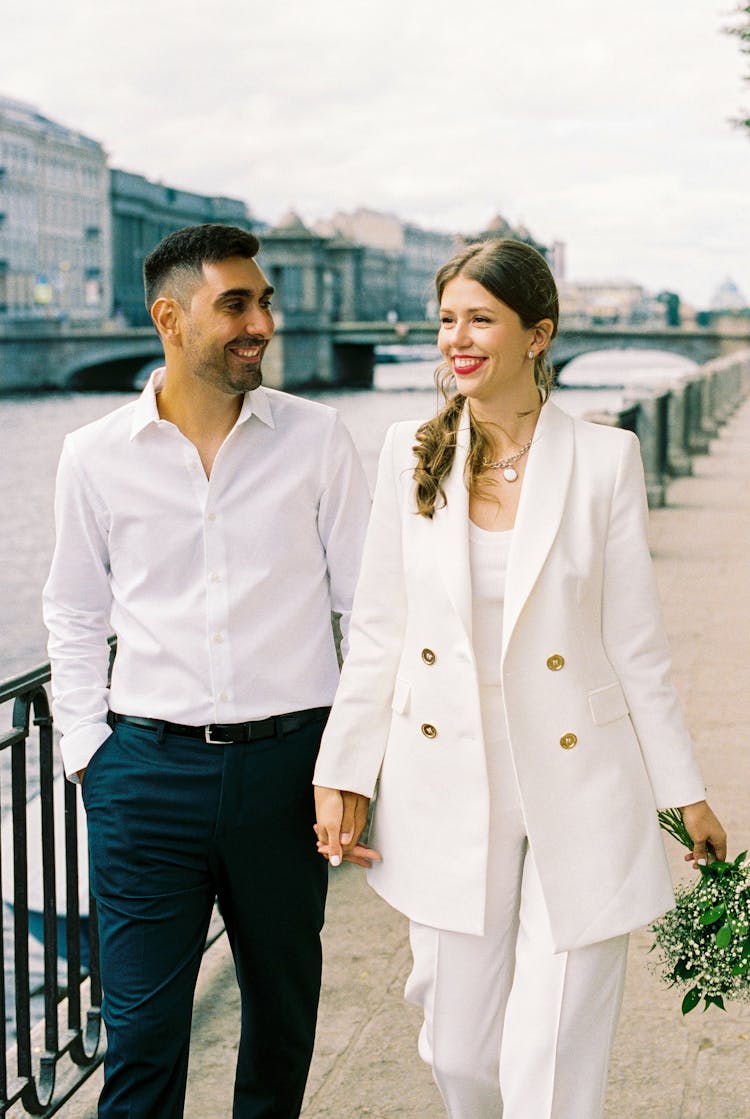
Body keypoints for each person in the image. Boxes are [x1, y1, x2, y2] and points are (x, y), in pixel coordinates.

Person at [313, 238, 727, 1119]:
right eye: (447, 320)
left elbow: (636, 643)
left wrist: (682, 790)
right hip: (447, 770)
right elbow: (379, 626)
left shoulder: (605, 459)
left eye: (480, 320)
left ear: (538, 334)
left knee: (553, 1049)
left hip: (582, 773)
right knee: (462, 1055)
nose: (456, 340)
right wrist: (342, 770)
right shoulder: (406, 452)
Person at [42, 223, 371, 1119]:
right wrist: (88, 753)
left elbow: (373, 611)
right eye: (236, 304)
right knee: (142, 1036)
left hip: (288, 771)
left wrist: (348, 765)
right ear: (168, 317)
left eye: (264, 301)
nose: (260, 320)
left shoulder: (319, 439)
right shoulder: (94, 454)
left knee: (280, 1022)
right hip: (144, 777)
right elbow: (72, 608)